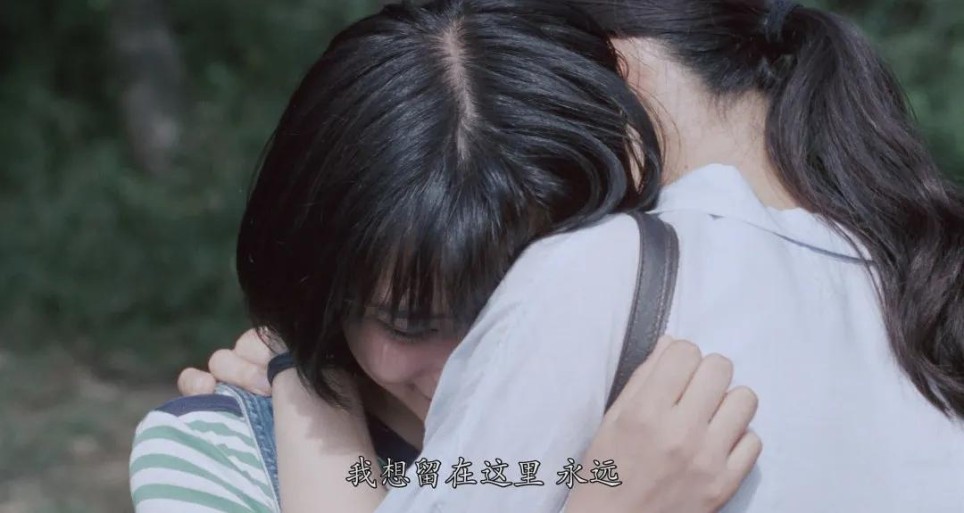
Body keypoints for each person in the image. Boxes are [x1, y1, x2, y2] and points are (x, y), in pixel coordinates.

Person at [187, 0, 964, 511]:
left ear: (611, 74)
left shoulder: (599, 275)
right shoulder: (897, 275)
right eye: (405, 317)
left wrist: (302, 385)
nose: (465, 359)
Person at [130, 1, 759, 512]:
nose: (467, 365)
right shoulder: (220, 454)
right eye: (409, 324)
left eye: (518, 308)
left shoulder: (682, 429)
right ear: (320, 285)